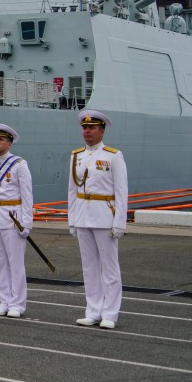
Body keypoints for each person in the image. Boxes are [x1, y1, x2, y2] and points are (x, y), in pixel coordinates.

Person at [69, 110, 128, 330]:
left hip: (105, 216)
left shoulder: (113, 156)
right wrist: (72, 219)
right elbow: (72, 190)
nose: (87, 131)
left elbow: (122, 192)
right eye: (85, 128)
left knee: (110, 268)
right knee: (89, 267)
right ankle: (93, 310)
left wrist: (119, 222)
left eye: (92, 128)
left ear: (101, 131)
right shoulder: (77, 155)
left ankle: (110, 313)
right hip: (83, 216)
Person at [0, 123, 33, 318]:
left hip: (13, 218)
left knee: (15, 263)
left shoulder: (19, 165)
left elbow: (27, 196)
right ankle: (4, 300)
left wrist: (27, 222)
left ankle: (17, 304)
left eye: (1, 139)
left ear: (9, 144)